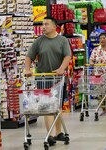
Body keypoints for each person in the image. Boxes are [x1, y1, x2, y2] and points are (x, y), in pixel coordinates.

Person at [25, 16, 71, 146]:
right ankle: (50, 135)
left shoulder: (62, 40)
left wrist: (62, 68)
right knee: (47, 106)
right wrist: (27, 69)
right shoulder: (39, 41)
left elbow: (67, 56)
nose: (43, 26)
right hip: (43, 78)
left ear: (54, 26)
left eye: (46, 24)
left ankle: (58, 132)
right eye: (42, 24)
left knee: (57, 106)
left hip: (58, 79)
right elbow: (29, 56)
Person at [89, 32, 106, 116]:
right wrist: (91, 63)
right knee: (100, 91)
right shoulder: (96, 50)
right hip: (98, 74)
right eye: (100, 38)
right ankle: (103, 109)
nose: (102, 40)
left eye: (104, 38)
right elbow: (91, 59)